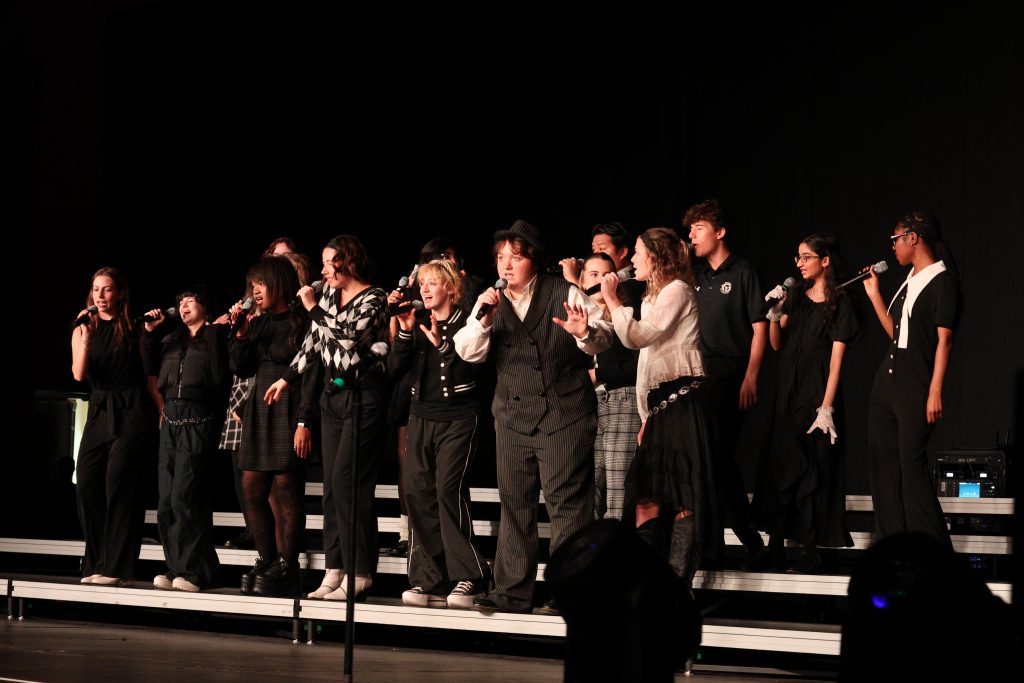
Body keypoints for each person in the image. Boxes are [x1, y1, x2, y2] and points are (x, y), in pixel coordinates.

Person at [454, 219, 612, 614]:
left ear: (534, 261)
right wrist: (483, 319)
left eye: (516, 257)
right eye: (501, 258)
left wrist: (583, 332)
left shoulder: (565, 291)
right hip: (513, 415)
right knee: (515, 504)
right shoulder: (490, 301)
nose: (506, 265)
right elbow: (467, 351)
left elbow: (603, 338)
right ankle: (511, 591)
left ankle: (569, 592)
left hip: (564, 412)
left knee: (567, 507)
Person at [265, 235, 389, 601]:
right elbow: (314, 343)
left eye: (328, 262)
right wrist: (287, 379)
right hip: (332, 397)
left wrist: (313, 308)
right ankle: (335, 567)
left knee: (348, 482)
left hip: (362, 396)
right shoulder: (330, 298)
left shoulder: (374, 298)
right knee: (332, 488)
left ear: (347, 261)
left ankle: (360, 570)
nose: (323, 270)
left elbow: (348, 337)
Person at [600, 227, 717, 588]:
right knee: (645, 496)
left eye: (637, 252)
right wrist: (645, 415)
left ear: (655, 256)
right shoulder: (652, 297)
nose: (632, 260)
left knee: (684, 496)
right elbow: (646, 366)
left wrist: (613, 300)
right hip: (658, 408)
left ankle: (677, 587)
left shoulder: (677, 290)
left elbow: (638, 336)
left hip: (682, 402)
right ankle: (647, 583)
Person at [752, 233, 858, 572]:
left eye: (806, 257)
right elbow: (776, 343)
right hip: (788, 393)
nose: (799, 263)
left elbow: (837, 362)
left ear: (825, 261)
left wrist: (826, 408)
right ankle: (776, 546)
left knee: (812, 470)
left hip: (816, 394)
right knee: (783, 465)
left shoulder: (840, 301)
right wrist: (774, 313)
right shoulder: (796, 295)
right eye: (797, 257)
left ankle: (810, 550)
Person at [388, 259, 489, 608]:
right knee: (417, 493)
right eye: (422, 284)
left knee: (448, 491)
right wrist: (404, 332)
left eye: (432, 283)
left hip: (458, 418)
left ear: (451, 288)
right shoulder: (415, 321)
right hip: (421, 417)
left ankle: (471, 577)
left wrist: (442, 345)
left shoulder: (468, 322)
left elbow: (475, 365)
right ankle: (429, 579)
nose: (425, 289)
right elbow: (394, 369)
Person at [863, 211, 962, 546]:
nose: (892, 247)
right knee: (884, 467)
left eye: (895, 240)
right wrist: (875, 296)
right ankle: (892, 548)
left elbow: (945, 340)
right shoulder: (910, 278)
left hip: (915, 384)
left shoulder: (943, 281)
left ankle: (935, 553)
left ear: (912, 238)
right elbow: (896, 334)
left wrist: (935, 390)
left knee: (911, 468)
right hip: (886, 383)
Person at [684, 200, 770, 568]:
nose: (692, 236)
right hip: (697, 375)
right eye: (690, 230)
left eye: (699, 228)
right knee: (706, 462)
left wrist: (751, 376)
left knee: (717, 457)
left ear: (719, 232)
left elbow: (759, 328)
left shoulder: (743, 271)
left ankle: (743, 539)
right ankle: (721, 544)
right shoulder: (696, 276)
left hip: (731, 372)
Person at [230, 256, 322, 596]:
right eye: (253, 285)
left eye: (262, 284)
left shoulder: (302, 320)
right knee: (251, 487)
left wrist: (304, 421)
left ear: (279, 284)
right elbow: (241, 368)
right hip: (261, 405)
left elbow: (312, 373)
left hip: (290, 405)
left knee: (286, 490)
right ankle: (267, 559)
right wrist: (240, 334)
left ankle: (288, 564)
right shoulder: (257, 323)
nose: (255, 291)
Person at [71, 267, 157, 586]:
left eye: (107, 289)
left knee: (119, 484)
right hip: (99, 407)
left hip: (132, 408)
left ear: (120, 293)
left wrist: (161, 409)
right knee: (87, 482)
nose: (101, 296)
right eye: (96, 289)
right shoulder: (83, 328)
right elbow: (79, 374)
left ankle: (117, 567)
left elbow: (149, 376)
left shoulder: (132, 327)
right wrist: (86, 337)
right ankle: (96, 562)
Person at [144, 285, 230, 592]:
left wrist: (215, 333)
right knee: (166, 501)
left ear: (204, 306)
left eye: (190, 301)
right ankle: (177, 567)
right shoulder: (171, 340)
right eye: (180, 302)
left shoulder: (216, 336)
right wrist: (150, 333)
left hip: (198, 419)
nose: (183, 307)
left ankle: (195, 572)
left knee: (186, 496)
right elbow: (150, 371)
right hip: (171, 420)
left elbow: (220, 379)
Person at [577, 253, 642, 520]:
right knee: (587, 490)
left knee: (617, 492)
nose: (600, 281)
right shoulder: (574, 314)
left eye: (606, 275)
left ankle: (617, 545)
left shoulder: (626, 313)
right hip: (585, 408)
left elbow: (640, 366)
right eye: (593, 275)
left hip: (621, 400)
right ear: (582, 281)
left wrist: (598, 373)